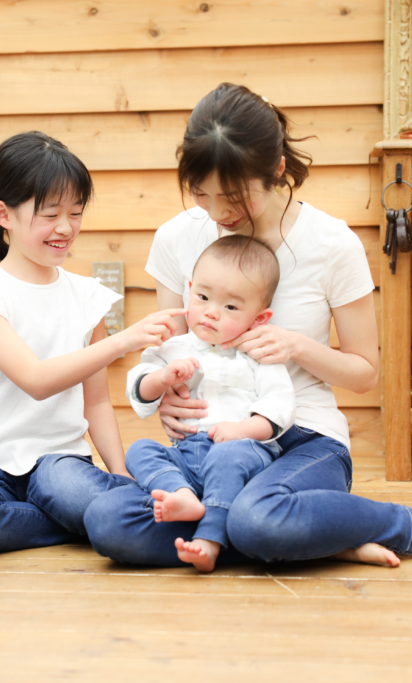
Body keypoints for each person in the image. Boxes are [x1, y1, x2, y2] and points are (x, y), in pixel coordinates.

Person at [84, 83, 412, 567]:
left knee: (258, 521)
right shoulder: (176, 238)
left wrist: (296, 346)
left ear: (276, 169)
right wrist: (167, 394)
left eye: (233, 197)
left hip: (303, 439)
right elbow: (173, 346)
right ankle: (313, 531)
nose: (217, 213)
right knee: (108, 521)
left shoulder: (332, 244)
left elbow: (364, 373)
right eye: (201, 194)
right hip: (212, 446)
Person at [0, 131, 183, 554]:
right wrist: (123, 341)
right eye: (49, 215)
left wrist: (119, 472)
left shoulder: (87, 296)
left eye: (75, 213)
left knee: (64, 485)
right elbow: (34, 379)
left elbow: (96, 403)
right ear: (3, 214)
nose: (65, 228)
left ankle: (103, 510)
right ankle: (85, 524)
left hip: (60, 463)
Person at [124, 235, 294, 572]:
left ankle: (210, 538)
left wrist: (242, 429)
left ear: (259, 319)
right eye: (202, 297)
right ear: (189, 290)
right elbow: (139, 387)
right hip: (186, 455)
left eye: (230, 307)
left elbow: (280, 408)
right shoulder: (174, 347)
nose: (211, 313)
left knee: (228, 456)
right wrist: (162, 379)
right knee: (140, 450)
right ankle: (181, 494)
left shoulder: (258, 355)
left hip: (242, 453)